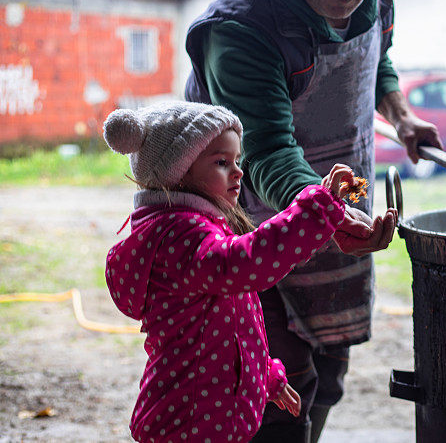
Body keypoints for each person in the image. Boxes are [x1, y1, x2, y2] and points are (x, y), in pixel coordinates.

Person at [184, 0, 442, 441]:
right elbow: (268, 153)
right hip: (245, 219)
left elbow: (377, 57)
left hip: (331, 205)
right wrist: (325, 214)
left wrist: (401, 115)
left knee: (327, 374)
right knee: (277, 381)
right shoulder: (241, 28)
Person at [102, 101, 378, 442]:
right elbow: (248, 262)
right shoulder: (181, 239)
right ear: (179, 170)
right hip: (189, 421)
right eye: (221, 162)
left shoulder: (196, 232)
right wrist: (315, 208)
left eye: (237, 160)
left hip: (202, 415)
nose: (238, 172)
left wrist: (265, 377)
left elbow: (224, 329)